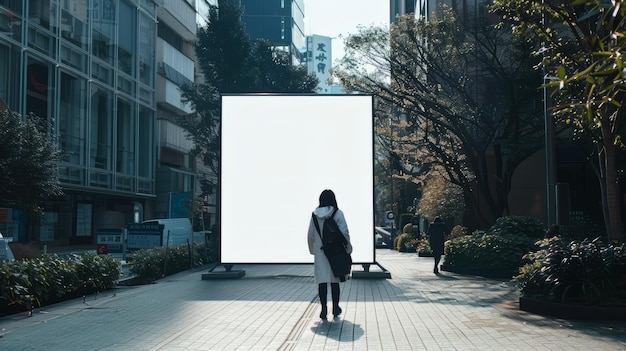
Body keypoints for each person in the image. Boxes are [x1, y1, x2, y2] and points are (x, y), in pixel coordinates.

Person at [308, 189, 353, 320]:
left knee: (322, 282)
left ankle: (323, 309)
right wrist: (348, 248)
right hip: (336, 252)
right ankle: (335, 308)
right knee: (335, 282)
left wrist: (313, 250)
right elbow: (345, 232)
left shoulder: (314, 215)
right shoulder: (338, 213)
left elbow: (310, 235)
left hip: (321, 253)